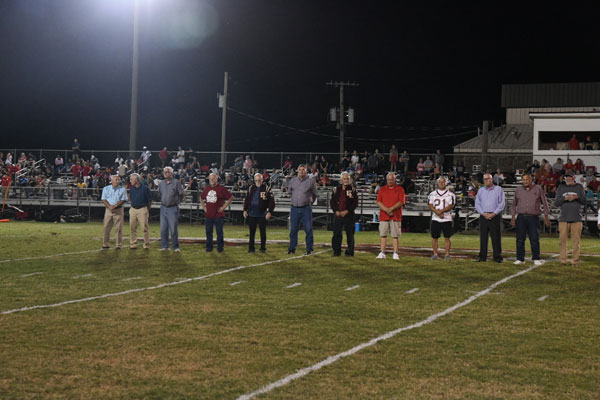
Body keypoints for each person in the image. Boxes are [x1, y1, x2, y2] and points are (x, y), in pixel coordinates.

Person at [510, 173, 550, 265]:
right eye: (523, 180)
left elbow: (545, 203)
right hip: (521, 217)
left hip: (533, 218)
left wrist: (546, 216)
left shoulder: (538, 188)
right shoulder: (518, 190)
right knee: (520, 239)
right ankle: (520, 258)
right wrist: (513, 217)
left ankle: (536, 258)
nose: (525, 181)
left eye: (527, 179)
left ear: (531, 179)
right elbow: (513, 204)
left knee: (534, 239)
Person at [554, 172, 586, 265]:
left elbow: (584, 201)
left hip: (576, 218)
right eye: (566, 177)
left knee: (576, 241)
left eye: (570, 177)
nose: (568, 179)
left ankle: (575, 261)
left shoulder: (579, 187)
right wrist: (565, 198)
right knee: (562, 241)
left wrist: (576, 197)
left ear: (574, 178)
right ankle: (563, 260)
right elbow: (556, 203)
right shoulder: (561, 187)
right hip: (563, 218)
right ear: (564, 178)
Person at [287, 164, 318, 255]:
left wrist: (310, 202)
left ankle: (309, 249)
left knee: (308, 229)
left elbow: (315, 194)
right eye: (300, 169)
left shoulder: (311, 181)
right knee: (293, 230)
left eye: (303, 169)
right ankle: (292, 249)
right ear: (298, 171)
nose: (301, 171)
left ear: (306, 171)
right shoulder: (293, 181)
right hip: (294, 208)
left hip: (306, 208)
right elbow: (290, 193)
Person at [475, 173, 505, 263]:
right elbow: (477, 204)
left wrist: (494, 213)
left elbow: (502, 204)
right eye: (484, 179)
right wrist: (483, 213)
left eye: (487, 179)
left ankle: (497, 256)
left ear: (492, 179)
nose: (486, 181)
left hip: (494, 216)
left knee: (496, 237)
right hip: (483, 216)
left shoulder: (498, 189)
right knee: (483, 238)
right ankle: (482, 256)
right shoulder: (481, 190)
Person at [201, 173, 233, 253]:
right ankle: (209, 247)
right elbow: (201, 198)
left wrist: (223, 207)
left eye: (213, 178)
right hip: (209, 215)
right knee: (208, 232)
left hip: (218, 215)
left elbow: (230, 197)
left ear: (217, 179)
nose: (212, 180)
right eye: (210, 179)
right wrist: (204, 207)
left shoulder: (221, 188)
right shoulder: (206, 188)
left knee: (219, 232)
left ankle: (220, 247)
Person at [376, 172, 405, 260]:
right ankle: (382, 252)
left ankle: (395, 253)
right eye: (388, 179)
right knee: (383, 234)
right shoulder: (382, 189)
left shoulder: (400, 189)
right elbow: (379, 202)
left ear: (395, 180)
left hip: (395, 216)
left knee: (395, 235)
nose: (390, 181)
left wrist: (390, 209)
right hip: (384, 216)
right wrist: (387, 210)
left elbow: (401, 202)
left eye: (391, 179)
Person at [243, 173, 275, 253]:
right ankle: (251, 248)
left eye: (259, 180)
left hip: (262, 214)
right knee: (251, 232)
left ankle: (263, 248)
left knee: (263, 233)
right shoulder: (251, 188)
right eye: (256, 180)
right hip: (251, 214)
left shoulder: (267, 188)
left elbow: (271, 201)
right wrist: (245, 210)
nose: (257, 182)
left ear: (262, 180)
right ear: (254, 180)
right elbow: (247, 200)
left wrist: (269, 212)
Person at [330, 172, 359, 257]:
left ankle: (350, 251)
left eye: (347, 179)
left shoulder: (353, 190)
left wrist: (347, 211)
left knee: (350, 234)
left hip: (349, 215)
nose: (346, 180)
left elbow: (355, 203)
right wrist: (336, 211)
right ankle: (336, 251)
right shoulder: (336, 189)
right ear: (341, 180)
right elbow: (332, 202)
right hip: (338, 215)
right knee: (336, 234)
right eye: (344, 178)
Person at [158, 166, 185, 252]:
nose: (166, 173)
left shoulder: (176, 182)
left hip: (172, 208)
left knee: (173, 229)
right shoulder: (161, 183)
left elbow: (182, 194)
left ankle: (175, 247)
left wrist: (178, 202)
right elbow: (160, 193)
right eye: (164, 172)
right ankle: (165, 246)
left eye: (168, 172)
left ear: (171, 173)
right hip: (163, 207)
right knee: (163, 228)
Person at [428, 177, 455, 261]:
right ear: (437, 183)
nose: (441, 183)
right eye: (440, 182)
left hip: (447, 218)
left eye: (443, 182)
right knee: (434, 237)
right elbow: (430, 205)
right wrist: (437, 212)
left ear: (446, 183)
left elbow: (451, 206)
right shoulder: (432, 194)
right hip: (436, 219)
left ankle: (447, 254)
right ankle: (435, 254)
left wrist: (441, 212)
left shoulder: (451, 194)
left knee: (447, 237)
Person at [100, 175, 128, 250]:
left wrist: (115, 206)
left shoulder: (122, 189)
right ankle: (105, 244)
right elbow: (103, 199)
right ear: (112, 180)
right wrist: (109, 206)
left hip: (118, 210)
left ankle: (118, 244)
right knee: (106, 227)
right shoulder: (106, 188)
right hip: (108, 210)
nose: (118, 181)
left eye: (118, 180)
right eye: (116, 179)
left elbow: (123, 199)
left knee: (119, 228)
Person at [128, 173, 152, 250]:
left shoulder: (145, 189)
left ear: (137, 180)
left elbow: (149, 201)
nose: (130, 181)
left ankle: (146, 244)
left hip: (142, 209)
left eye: (131, 179)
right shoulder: (131, 189)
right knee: (132, 228)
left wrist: (147, 210)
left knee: (144, 228)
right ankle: (133, 244)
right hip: (133, 209)